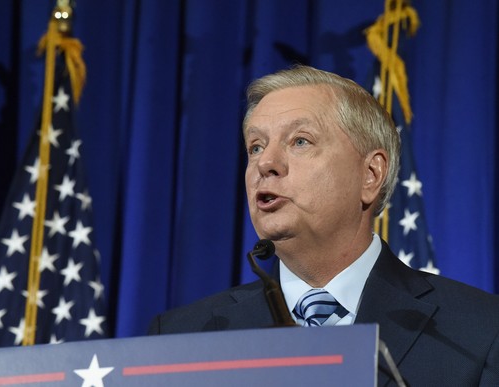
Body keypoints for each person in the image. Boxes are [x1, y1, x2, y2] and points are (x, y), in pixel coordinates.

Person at [148, 65, 499, 385]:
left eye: (300, 141)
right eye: (255, 147)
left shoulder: (479, 330)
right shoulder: (182, 336)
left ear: (370, 174)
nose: (265, 163)